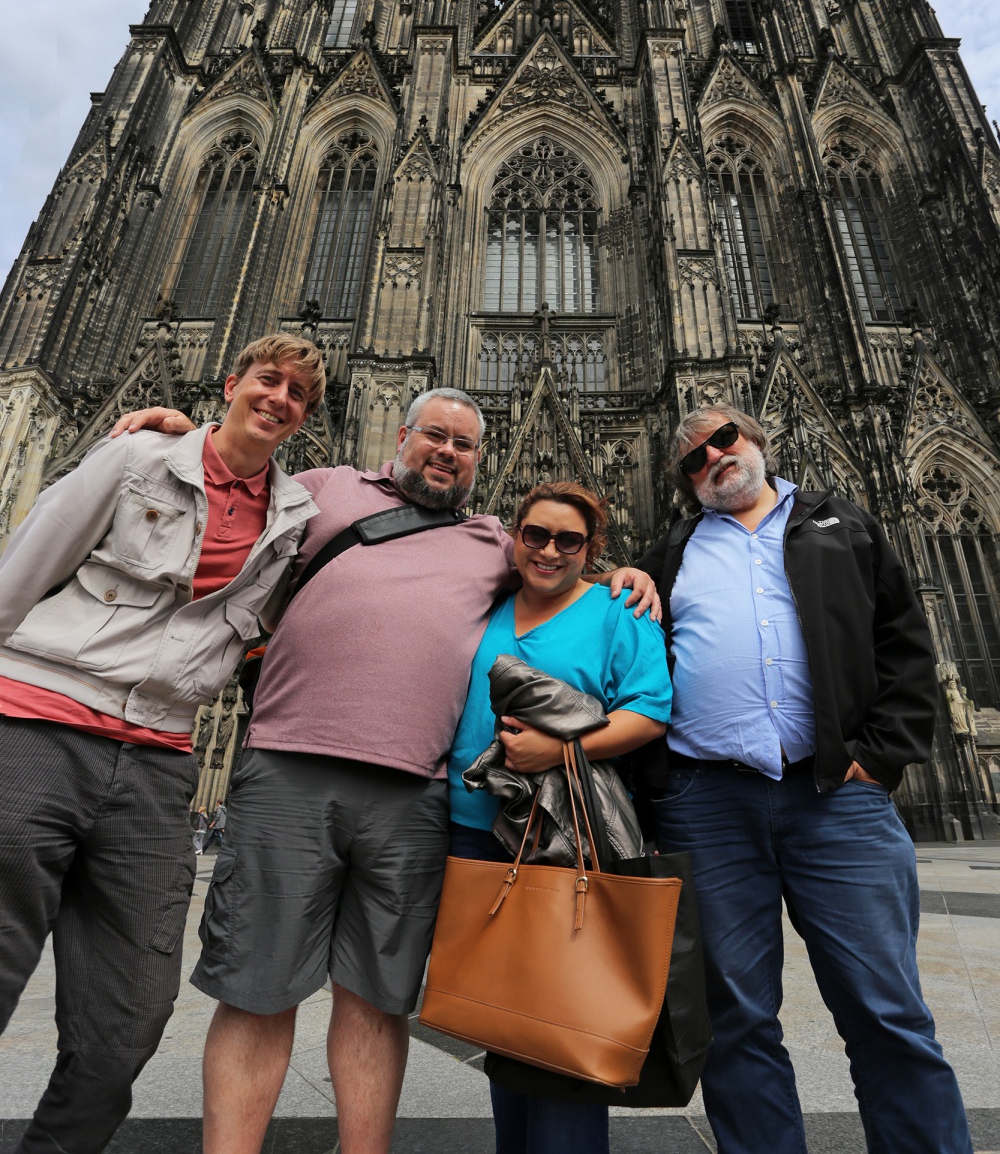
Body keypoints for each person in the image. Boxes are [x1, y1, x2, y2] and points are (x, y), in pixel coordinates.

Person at [114, 388, 660, 1154]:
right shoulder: (330, 489)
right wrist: (188, 432)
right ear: (400, 437)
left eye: (464, 444)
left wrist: (625, 574)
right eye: (433, 435)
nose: (446, 451)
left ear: (479, 461)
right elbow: (232, 492)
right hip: (289, 771)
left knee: (376, 999)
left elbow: (555, 578)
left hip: (413, 793)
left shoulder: (491, 542)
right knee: (255, 990)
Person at [0, 332, 325, 1154]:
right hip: (41, 725)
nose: (279, 396)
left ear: (309, 419)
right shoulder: (135, 459)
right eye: (267, 380)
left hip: (156, 755)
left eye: (298, 392)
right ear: (232, 382)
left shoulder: (293, 517)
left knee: (131, 1015)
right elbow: (19, 576)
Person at [635, 404, 973, 1154]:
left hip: (836, 798)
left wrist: (880, 757)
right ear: (684, 484)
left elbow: (905, 639)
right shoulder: (669, 555)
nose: (714, 459)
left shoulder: (841, 523)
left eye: (724, 440)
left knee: (886, 1009)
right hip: (709, 802)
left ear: (755, 441)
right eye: (694, 460)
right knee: (733, 1018)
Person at [448, 481, 671, 1154]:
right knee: (503, 1014)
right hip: (471, 832)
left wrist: (560, 747)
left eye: (568, 540)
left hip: (565, 831)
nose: (548, 549)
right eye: (535, 535)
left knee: (563, 1013)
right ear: (513, 538)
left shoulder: (616, 609)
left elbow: (651, 710)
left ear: (592, 549)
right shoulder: (482, 602)